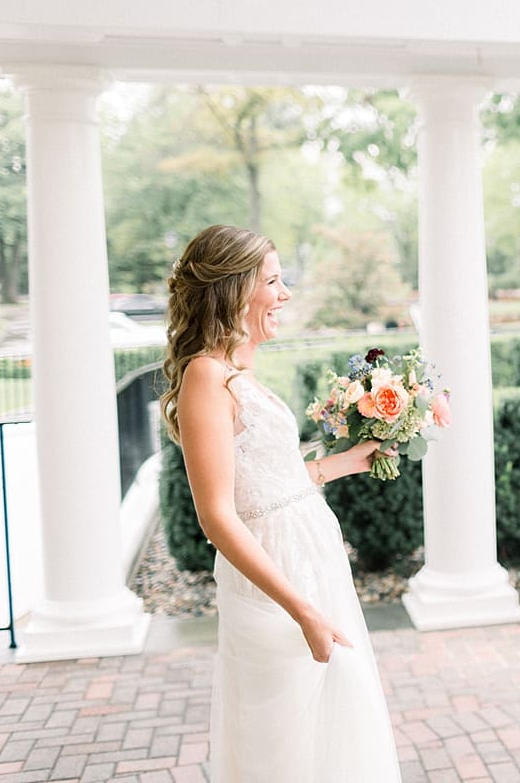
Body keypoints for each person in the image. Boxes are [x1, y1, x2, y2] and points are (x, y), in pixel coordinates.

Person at [160, 225, 402, 782]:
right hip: (281, 578)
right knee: (286, 735)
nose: (285, 293)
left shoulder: (236, 374)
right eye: (272, 281)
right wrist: (302, 610)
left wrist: (348, 461)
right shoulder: (205, 376)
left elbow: (270, 485)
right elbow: (217, 515)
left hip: (311, 561)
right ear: (233, 290)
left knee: (334, 724)